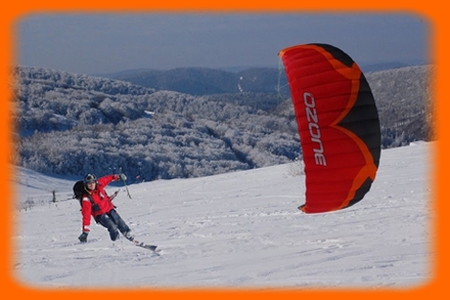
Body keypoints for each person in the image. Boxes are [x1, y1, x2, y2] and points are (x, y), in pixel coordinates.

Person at [78, 173, 134, 243]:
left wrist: (117, 177)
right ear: (86, 184)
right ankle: (117, 242)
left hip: (109, 209)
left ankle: (130, 236)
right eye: (89, 183)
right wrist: (85, 232)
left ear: (95, 182)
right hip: (100, 215)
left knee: (119, 222)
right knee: (112, 227)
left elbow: (107, 179)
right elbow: (86, 215)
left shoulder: (99, 185)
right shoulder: (86, 198)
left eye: (93, 182)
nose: (92, 185)